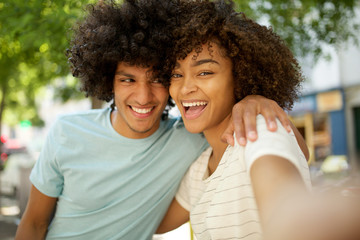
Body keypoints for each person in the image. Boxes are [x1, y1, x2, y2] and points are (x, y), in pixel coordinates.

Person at [15, 1, 307, 239]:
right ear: (108, 82)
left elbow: (290, 174)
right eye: (127, 79)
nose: (143, 97)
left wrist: (256, 101)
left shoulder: (224, 134)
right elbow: (35, 225)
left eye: (157, 79)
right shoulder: (67, 132)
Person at [156, 0, 312, 239]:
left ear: (240, 77)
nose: (185, 87)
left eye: (205, 72)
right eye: (176, 74)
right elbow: (149, 223)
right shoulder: (201, 167)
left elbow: (292, 219)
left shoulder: (259, 130)